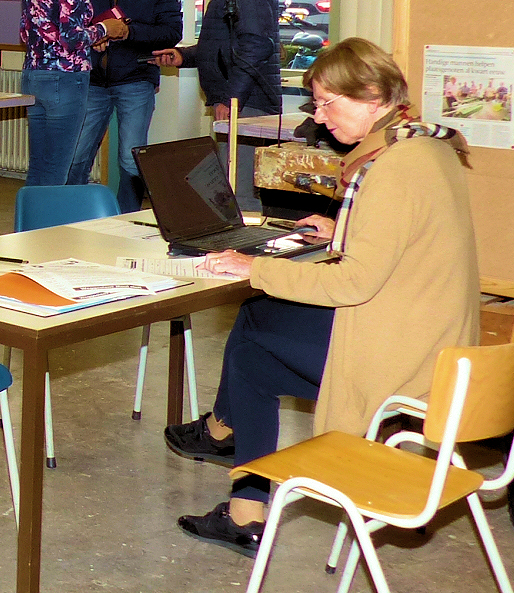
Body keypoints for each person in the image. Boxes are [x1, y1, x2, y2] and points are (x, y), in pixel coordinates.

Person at [165, 38, 479, 556]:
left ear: (373, 96)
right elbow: (411, 238)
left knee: (251, 351)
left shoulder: (391, 168)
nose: (320, 116)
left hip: (400, 361)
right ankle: (226, 445)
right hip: (436, 344)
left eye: (329, 103)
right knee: (257, 322)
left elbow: (352, 283)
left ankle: (241, 498)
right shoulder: (427, 146)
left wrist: (255, 266)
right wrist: (343, 230)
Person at [151, 0, 280, 209]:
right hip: (239, 98)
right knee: (228, 186)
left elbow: (256, 44)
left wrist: (231, 97)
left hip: (247, 101)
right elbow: (225, 43)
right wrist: (185, 56)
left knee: (238, 189)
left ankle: (245, 239)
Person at [67, 0, 182, 211]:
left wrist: (129, 32)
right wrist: (94, 35)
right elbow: (73, 24)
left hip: (136, 78)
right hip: (92, 78)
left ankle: (127, 219)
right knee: (76, 155)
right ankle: (71, 215)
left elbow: (172, 32)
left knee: (131, 158)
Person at [20, 0, 127, 186]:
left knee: (38, 167)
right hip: (65, 79)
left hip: (33, 75)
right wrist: (105, 29)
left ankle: (30, 215)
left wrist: (87, 36)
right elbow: (71, 38)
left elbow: (27, 32)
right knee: (58, 169)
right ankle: (53, 216)